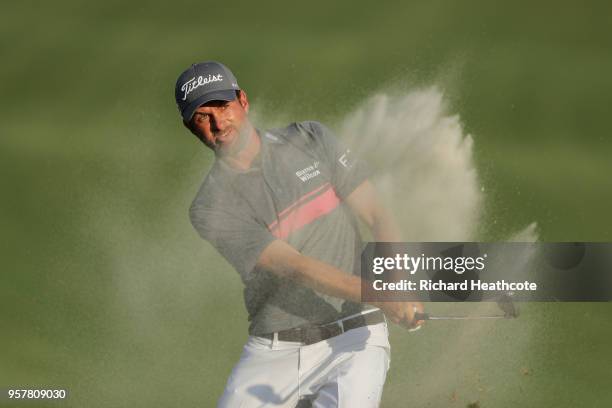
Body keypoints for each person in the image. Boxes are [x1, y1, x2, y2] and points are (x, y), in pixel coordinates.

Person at [174, 61, 424, 408]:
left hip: (356, 334)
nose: (218, 123)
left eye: (222, 106)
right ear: (190, 127)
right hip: (275, 349)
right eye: (202, 116)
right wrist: (382, 294)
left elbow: (377, 213)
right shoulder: (209, 207)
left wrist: (396, 281)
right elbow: (295, 266)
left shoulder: (311, 138)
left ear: (242, 101)